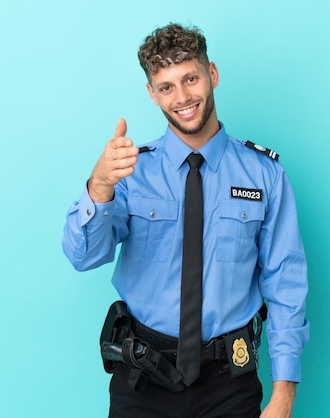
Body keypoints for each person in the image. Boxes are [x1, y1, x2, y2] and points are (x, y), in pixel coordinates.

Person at [62, 23, 309, 418]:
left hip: (230, 380)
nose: (182, 98)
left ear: (211, 74)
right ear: (152, 94)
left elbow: (286, 284)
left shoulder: (264, 175)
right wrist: (100, 186)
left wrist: (283, 396)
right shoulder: (130, 172)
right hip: (143, 379)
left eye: (190, 79)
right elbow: (84, 256)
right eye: (166, 87)